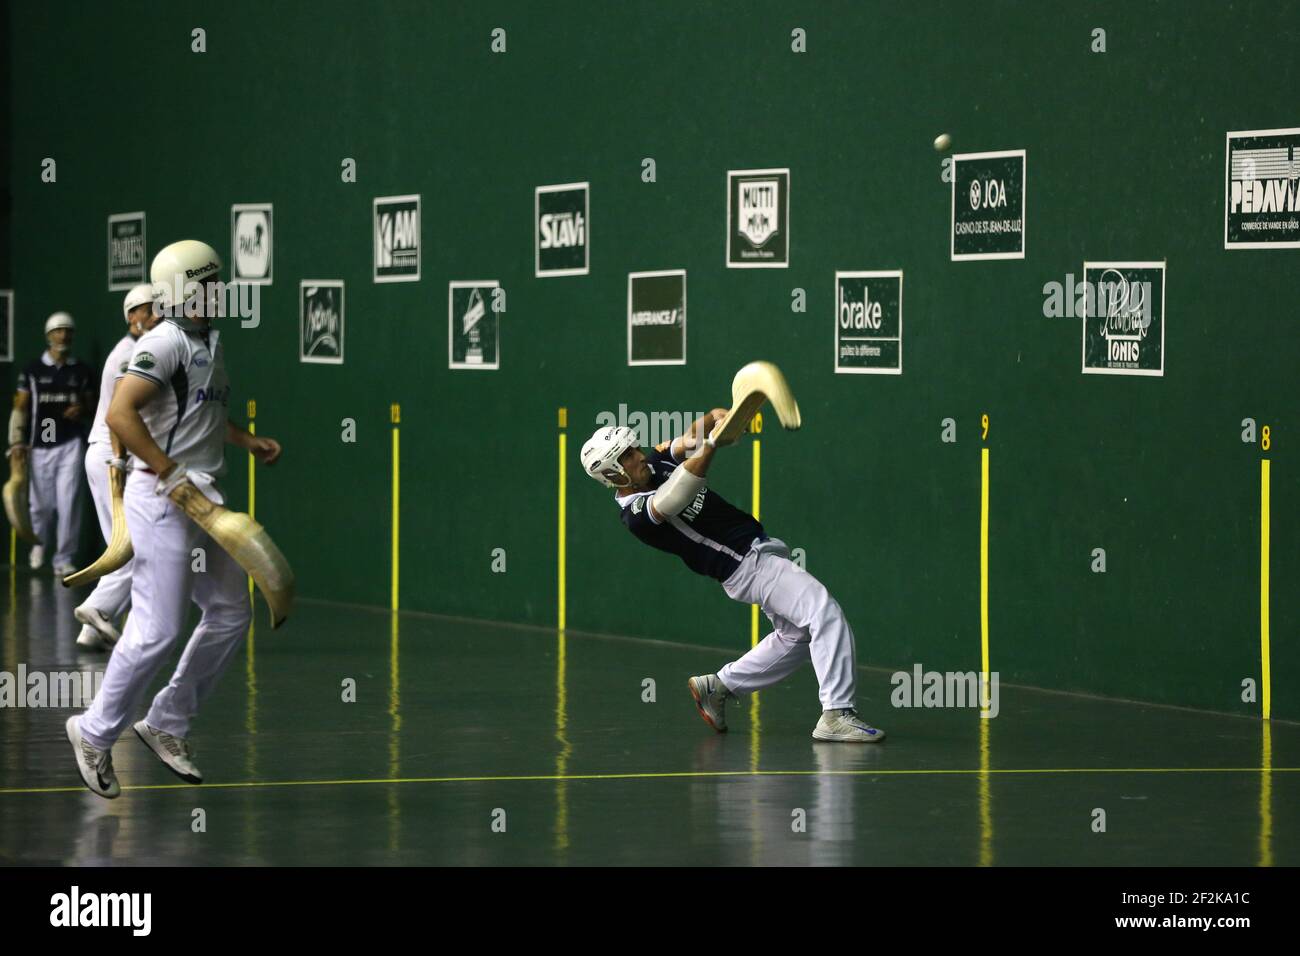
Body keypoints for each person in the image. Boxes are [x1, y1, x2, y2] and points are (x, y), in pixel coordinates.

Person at [67, 240, 283, 799]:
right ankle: (92, 731)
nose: (217, 295)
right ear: (179, 294)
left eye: (216, 284)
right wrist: (168, 472)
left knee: (232, 612)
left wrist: (244, 439)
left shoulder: (209, 339)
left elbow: (199, 412)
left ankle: (167, 721)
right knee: (159, 628)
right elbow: (120, 411)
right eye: (206, 286)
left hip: (203, 499)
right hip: (161, 498)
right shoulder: (162, 343)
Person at [580, 413, 884, 742]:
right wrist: (713, 444)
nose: (638, 455)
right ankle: (837, 713)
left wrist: (714, 418)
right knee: (824, 612)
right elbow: (676, 495)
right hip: (744, 565)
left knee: (796, 635)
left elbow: (688, 440)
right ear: (611, 472)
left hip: (754, 552)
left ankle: (719, 687)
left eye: (633, 448)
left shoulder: (653, 464)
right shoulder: (636, 514)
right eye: (626, 456)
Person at [74, 284, 160, 651]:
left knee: (123, 545)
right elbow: (118, 416)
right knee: (131, 546)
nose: (156, 313)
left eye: (158, 306)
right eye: (148, 308)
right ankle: (96, 608)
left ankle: (92, 631)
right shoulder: (129, 355)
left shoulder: (142, 350)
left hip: (110, 455)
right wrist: (120, 462)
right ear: (131, 316)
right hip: (111, 455)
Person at [8, 313, 95, 575]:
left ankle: (63, 558)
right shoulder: (33, 370)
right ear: (48, 336)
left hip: (69, 444)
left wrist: (81, 408)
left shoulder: (81, 371)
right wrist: (16, 441)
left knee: (68, 503)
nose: (63, 336)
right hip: (39, 444)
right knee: (41, 505)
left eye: (67, 331)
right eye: (57, 331)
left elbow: (92, 405)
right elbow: (20, 407)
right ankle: (39, 544)